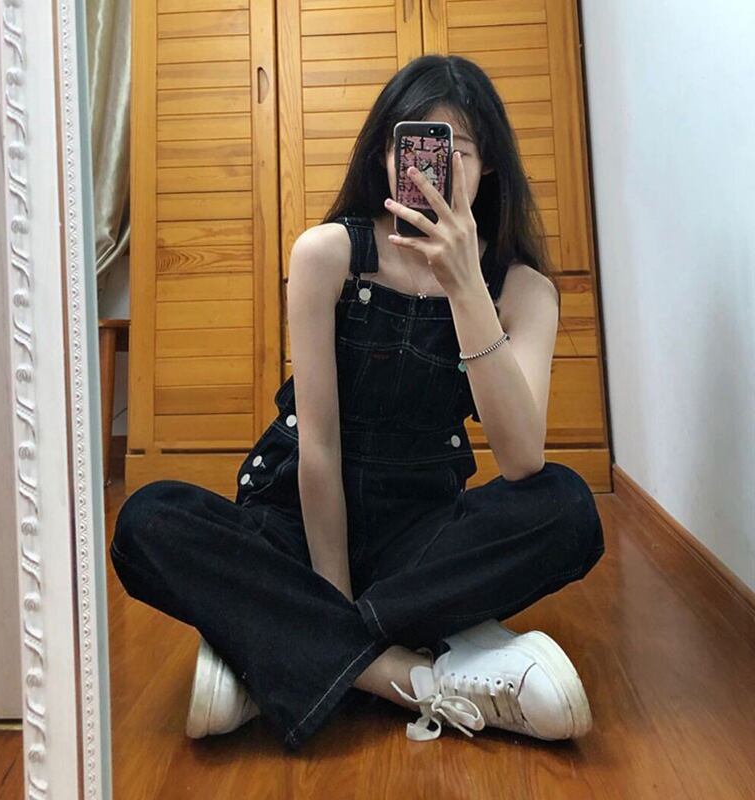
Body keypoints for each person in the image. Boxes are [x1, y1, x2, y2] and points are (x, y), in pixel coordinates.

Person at [110, 53, 605, 750]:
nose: (432, 170)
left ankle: (271, 647)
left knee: (568, 508)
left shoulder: (523, 291)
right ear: (384, 155)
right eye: (413, 146)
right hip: (298, 519)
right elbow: (318, 448)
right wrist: (333, 593)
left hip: (419, 530)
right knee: (148, 519)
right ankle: (405, 673)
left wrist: (465, 285)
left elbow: (522, 459)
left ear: (488, 164)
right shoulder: (327, 254)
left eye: (456, 151)